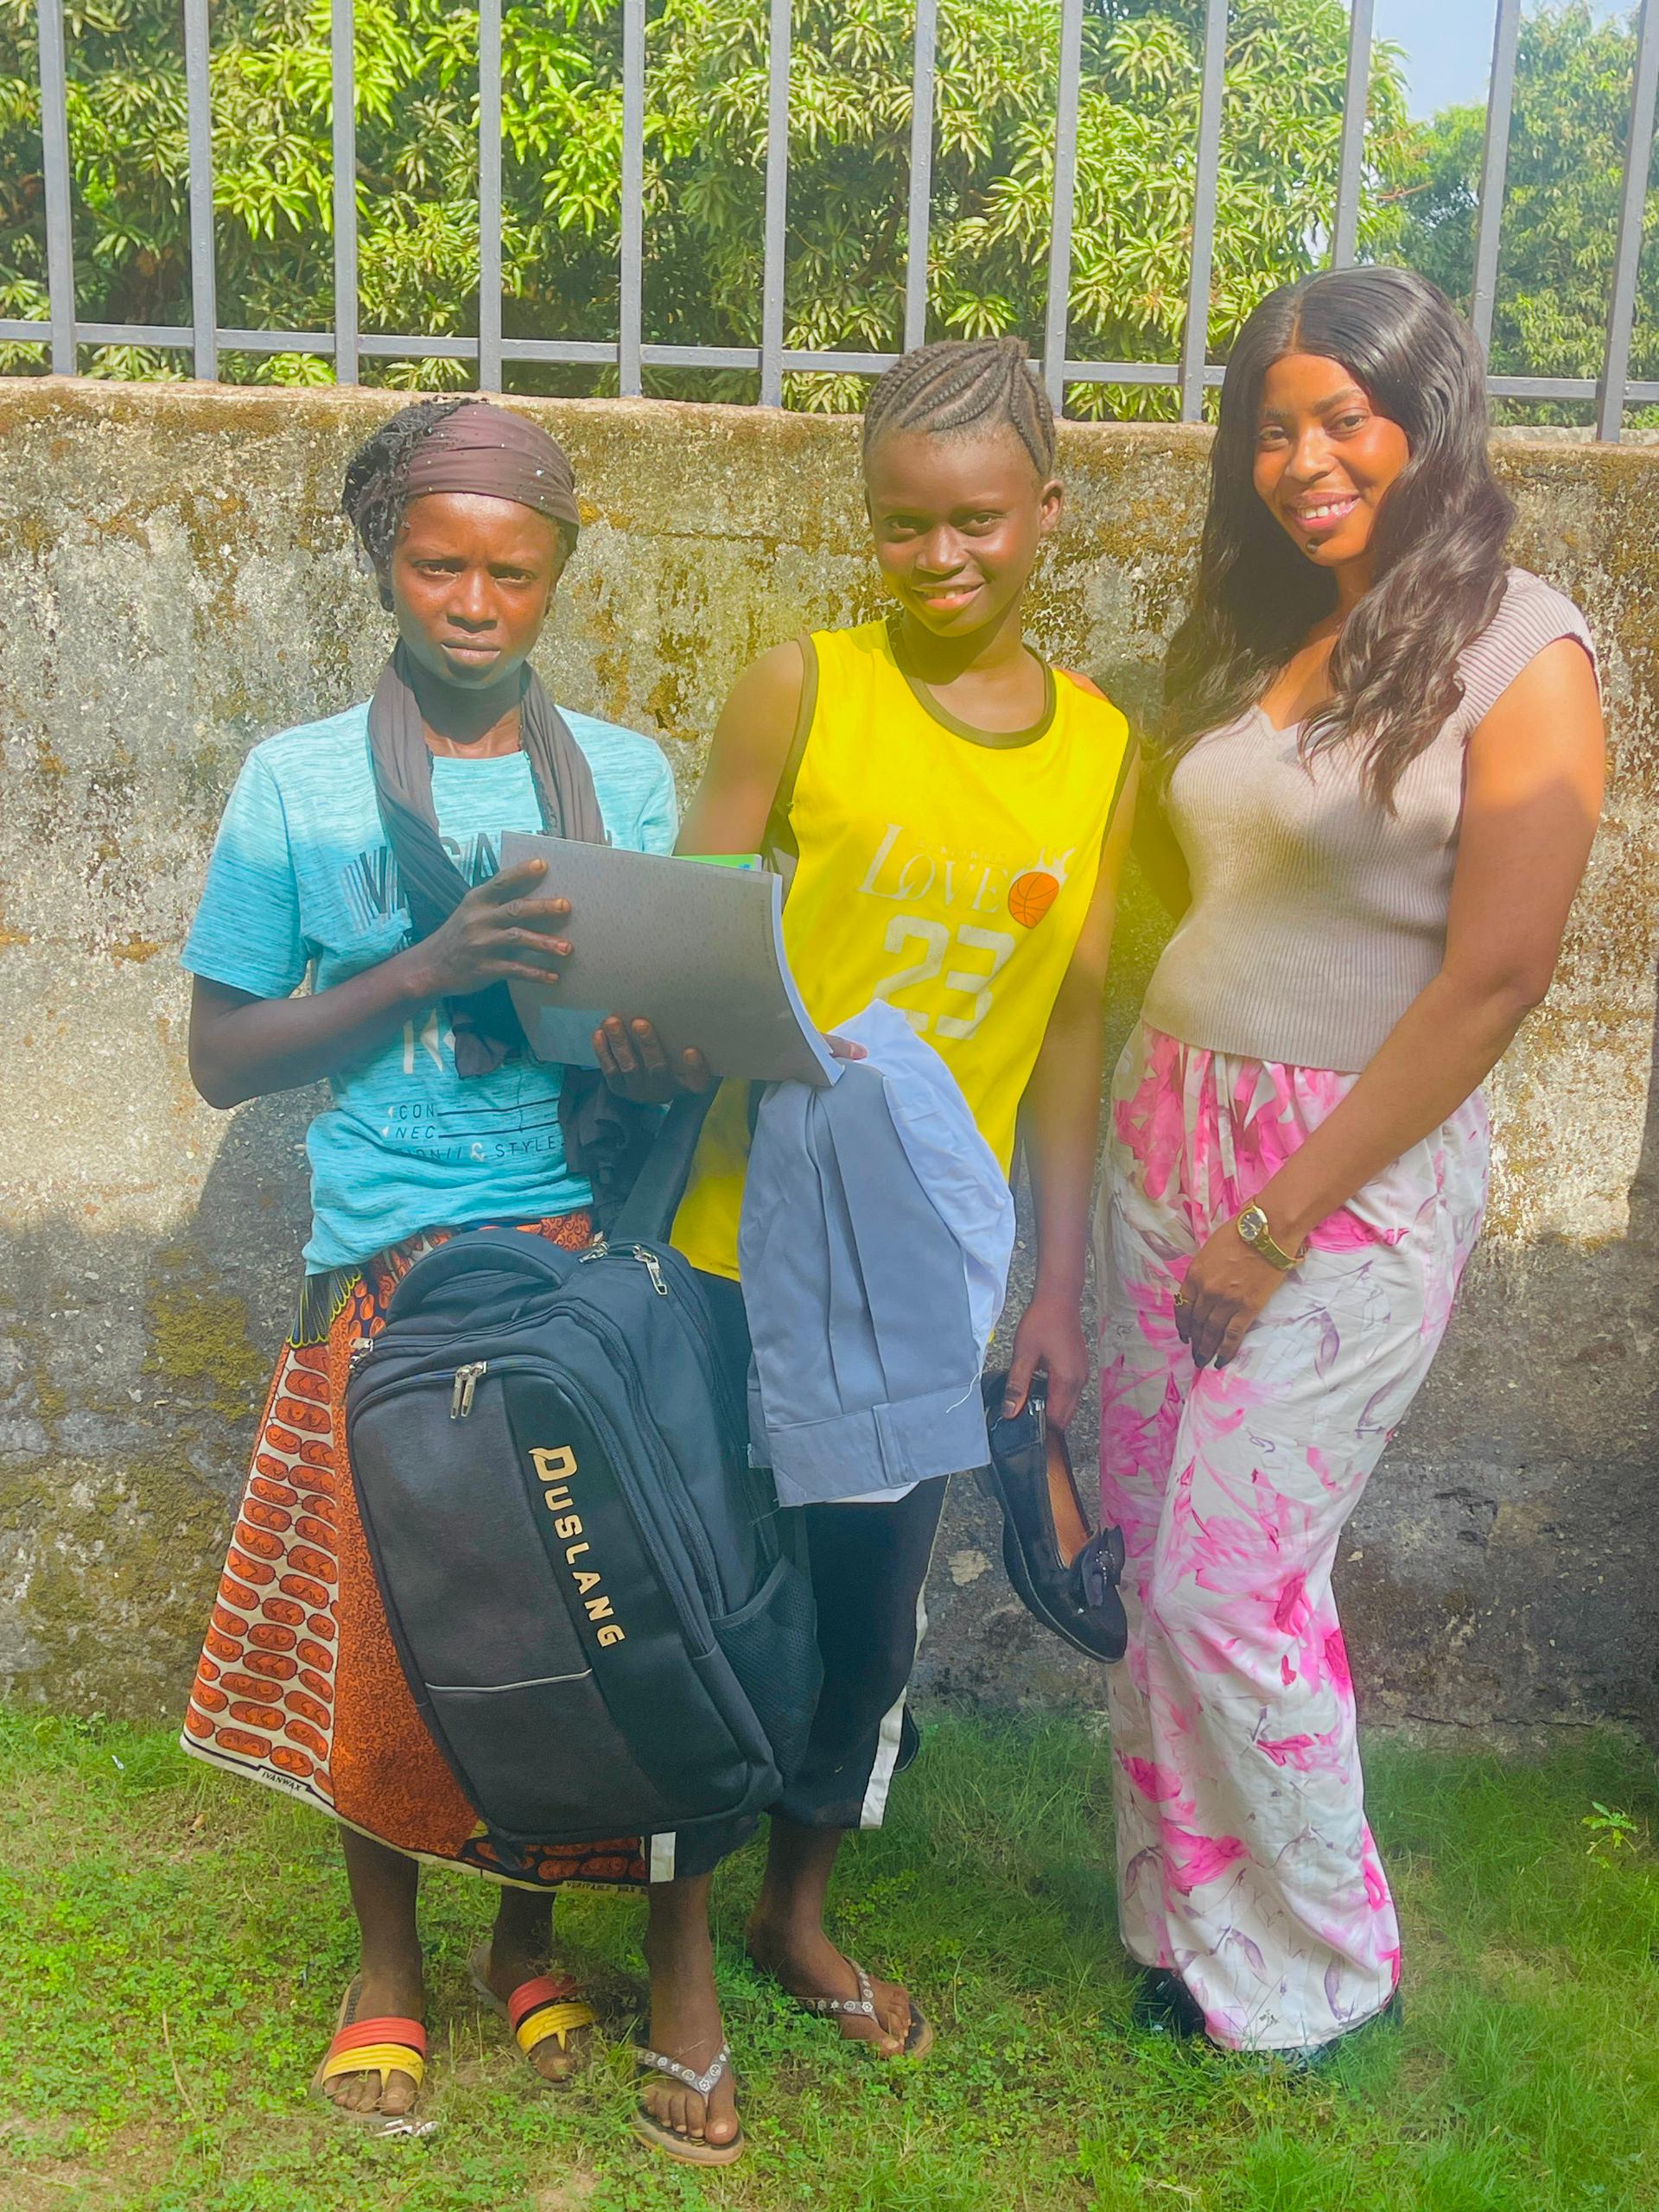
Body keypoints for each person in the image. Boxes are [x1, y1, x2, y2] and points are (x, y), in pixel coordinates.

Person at [594, 335, 1138, 2160]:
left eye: (978, 520)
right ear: (867, 527)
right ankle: (679, 1957)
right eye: (902, 526)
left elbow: (1067, 1034)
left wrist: (1054, 1284)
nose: (941, 559)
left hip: (927, 1285)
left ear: (1047, 512)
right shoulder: (798, 688)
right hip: (743, 1248)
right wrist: (662, 1021)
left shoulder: (1102, 752)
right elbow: (690, 933)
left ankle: (794, 1906)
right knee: (716, 1615)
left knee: (857, 1629)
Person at [1096, 265, 1604, 2063]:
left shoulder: (1522, 649)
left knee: (1228, 1581)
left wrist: (1276, 1217)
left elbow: (1498, 977)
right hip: (1173, 1124)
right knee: (1159, 1553)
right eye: (1272, 423)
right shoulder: (1265, 631)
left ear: (1425, 419)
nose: (1301, 456)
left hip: (1339, 1172)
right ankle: (1186, 1924)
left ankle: (1330, 1963)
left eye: (1341, 417)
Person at [178, 397, 684, 2123]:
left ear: (559, 574)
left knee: (554, 1611)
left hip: (562, 1246)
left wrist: (652, 1042)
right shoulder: (299, 783)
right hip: (384, 1253)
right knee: (387, 1619)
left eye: (512, 570)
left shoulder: (623, 776)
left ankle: (521, 1938)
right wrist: (427, 961)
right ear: (383, 563)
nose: (474, 599)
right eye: (438, 563)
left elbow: (635, 1021)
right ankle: (386, 1959)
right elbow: (226, 1054)